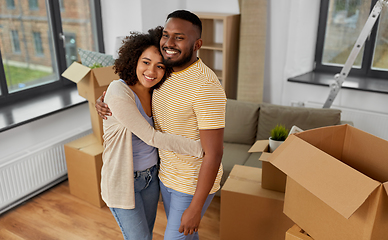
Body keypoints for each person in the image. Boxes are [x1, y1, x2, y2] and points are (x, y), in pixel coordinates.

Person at [97, 10, 226, 240]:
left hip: (189, 182)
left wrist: (196, 208)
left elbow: (214, 153)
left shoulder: (206, 86)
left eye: (179, 37)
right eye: (166, 35)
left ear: (197, 44)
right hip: (162, 177)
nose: (169, 43)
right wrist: (105, 100)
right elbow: (132, 102)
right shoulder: (164, 77)